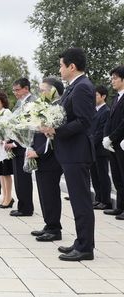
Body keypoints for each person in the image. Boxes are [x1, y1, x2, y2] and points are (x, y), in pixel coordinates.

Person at [41, 47, 95, 261]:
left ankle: (85, 248)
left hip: (77, 152)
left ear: (72, 66)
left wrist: (56, 130)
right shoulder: (75, 87)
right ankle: (82, 241)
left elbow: (84, 121)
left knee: (81, 201)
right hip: (70, 151)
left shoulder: (82, 87)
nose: (60, 70)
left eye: (62, 65)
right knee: (77, 200)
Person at [27, 77, 64, 242]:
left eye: (43, 90)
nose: (40, 93)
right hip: (41, 157)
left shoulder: (57, 109)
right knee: (44, 193)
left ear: (53, 90)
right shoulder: (45, 107)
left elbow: (54, 137)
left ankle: (55, 229)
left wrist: (39, 152)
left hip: (50, 159)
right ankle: (49, 224)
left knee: (51, 194)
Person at [4, 78, 36, 217]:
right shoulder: (20, 102)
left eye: (17, 90)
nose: (15, 93)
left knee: (23, 178)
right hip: (16, 144)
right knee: (18, 177)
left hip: (24, 145)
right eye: (14, 90)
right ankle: (21, 205)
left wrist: (15, 143)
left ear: (26, 89)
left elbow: (28, 128)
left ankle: (26, 208)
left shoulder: (32, 103)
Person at [103, 66, 124, 219]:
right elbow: (110, 121)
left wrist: (112, 137)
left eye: (115, 78)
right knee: (116, 176)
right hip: (113, 144)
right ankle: (120, 207)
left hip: (121, 142)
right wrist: (106, 137)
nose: (112, 81)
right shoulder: (116, 98)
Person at [91, 85, 112, 210]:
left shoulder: (106, 111)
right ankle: (98, 198)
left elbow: (101, 131)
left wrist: (91, 142)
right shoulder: (94, 110)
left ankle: (106, 200)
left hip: (101, 149)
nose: (94, 97)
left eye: (96, 95)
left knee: (103, 175)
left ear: (103, 96)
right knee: (95, 174)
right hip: (93, 149)